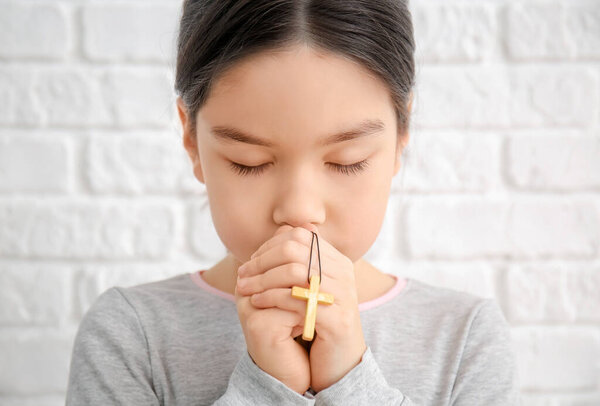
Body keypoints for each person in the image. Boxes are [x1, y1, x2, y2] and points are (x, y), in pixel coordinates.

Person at [65, 0, 520, 404]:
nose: (300, 210)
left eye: (347, 161)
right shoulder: (131, 336)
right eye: (250, 162)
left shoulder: (464, 340)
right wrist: (266, 386)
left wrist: (349, 381)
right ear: (190, 138)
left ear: (402, 136)